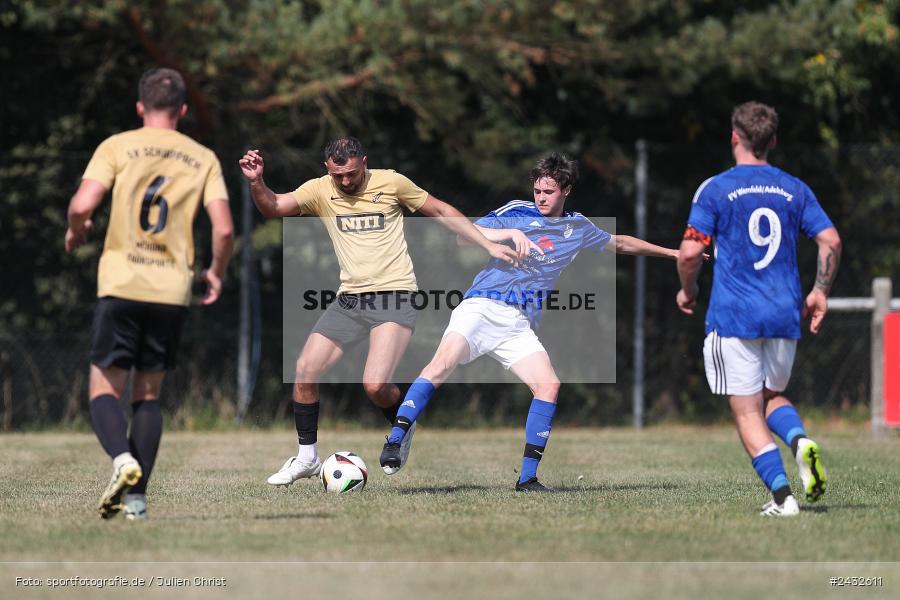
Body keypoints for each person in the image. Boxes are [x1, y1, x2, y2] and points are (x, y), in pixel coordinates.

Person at [379, 152, 681, 491]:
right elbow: (465, 235)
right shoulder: (516, 211)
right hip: (482, 306)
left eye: (548, 191)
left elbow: (620, 243)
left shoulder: (578, 227)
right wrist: (508, 234)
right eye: (537, 189)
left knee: (549, 385)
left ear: (566, 189)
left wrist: (672, 254)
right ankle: (395, 439)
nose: (540, 197)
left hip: (518, 324)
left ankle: (527, 479)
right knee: (441, 364)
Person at [238, 138, 520, 486]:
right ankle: (307, 458)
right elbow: (275, 207)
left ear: (364, 163)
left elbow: (442, 211)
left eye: (352, 174)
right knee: (305, 369)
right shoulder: (319, 190)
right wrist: (256, 182)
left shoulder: (392, 182)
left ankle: (403, 423)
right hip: (349, 299)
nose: (345, 182)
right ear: (328, 169)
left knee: (374, 385)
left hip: (395, 295)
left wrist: (487, 243)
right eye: (337, 175)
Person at [65, 68, 235, 520]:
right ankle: (137, 502)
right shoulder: (203, 158)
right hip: (170, 289)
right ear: (182, 110)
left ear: (140, 107)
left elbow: (83, 204)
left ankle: (122, 461)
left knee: (104, 389)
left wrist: (75, 230)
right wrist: (216, 272)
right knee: (148, 395)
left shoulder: (117, 145)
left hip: (121, 282)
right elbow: (224, 229)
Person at [676, 101, 841, 516]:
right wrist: (820, 290)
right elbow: (831, 241)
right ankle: (800, 440)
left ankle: (783, 498)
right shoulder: (794, 188)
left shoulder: (715, 188)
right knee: (771, 395)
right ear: (773, 141)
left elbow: (690, 252)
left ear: (735, 137)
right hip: (784, 314)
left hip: (735, 315)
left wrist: (689, 291)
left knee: (747, 409)